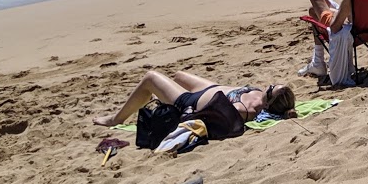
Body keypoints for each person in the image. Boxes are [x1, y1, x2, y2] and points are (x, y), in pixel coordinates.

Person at [91, 69, 295, 128]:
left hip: (190, 101)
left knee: (151, 77)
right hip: (209, 88)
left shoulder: (246, 109)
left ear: (268, 103)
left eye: (269, 91)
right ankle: (160, 97)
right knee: (178, 75)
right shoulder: (262, 98)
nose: (266, 87)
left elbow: (214, 118)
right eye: (271, 85)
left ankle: (115, 119)